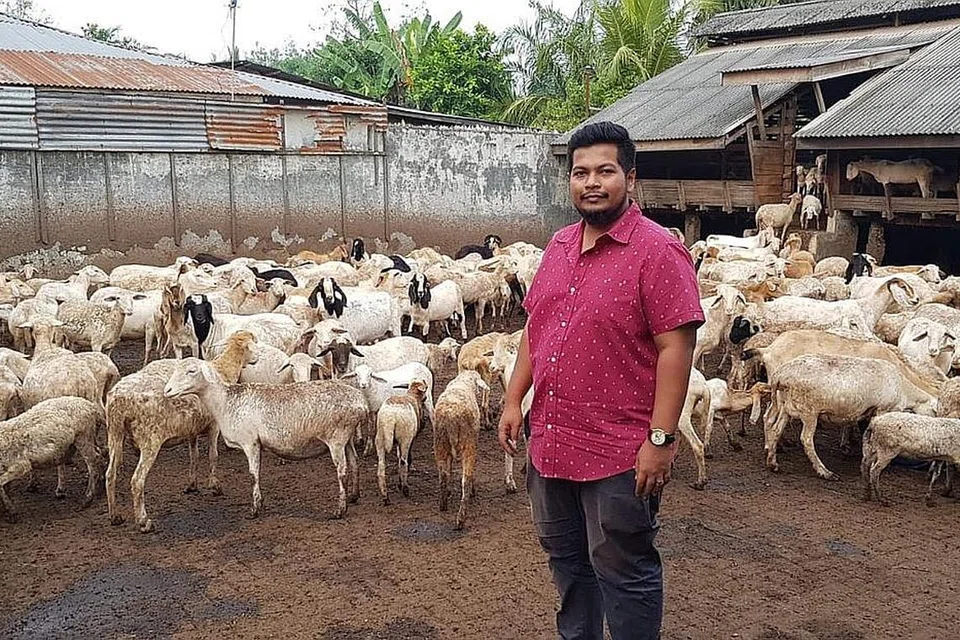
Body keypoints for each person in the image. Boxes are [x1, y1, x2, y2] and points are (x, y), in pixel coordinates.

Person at [498, 121, 704, 640]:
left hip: (619, 451)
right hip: (550, 441)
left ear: (630, 178)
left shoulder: (658, 251)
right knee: (568, 565)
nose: (591, 182)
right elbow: (535, 329)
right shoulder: (559, 246)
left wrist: (661, 439)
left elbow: (675, 347)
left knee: (624, 569)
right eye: (580, 172)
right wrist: (512, 397)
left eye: (605, 171)